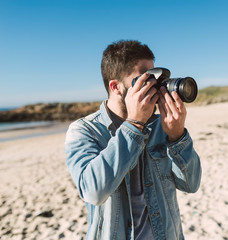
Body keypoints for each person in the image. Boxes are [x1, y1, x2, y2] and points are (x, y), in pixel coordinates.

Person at [65, 40, 202, 240]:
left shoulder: (160, 126)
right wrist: (134, 125)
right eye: (145, 80)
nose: (155, 87)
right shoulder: (85, 131)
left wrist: (177, 136)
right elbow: (93, 192)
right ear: (116, 87)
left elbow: (191, 184)